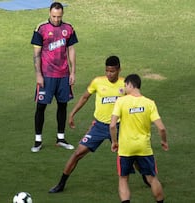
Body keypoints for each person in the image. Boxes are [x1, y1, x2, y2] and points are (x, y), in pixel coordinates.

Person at [49, 56, 125, 193]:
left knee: (131, 155)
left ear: (119, 69)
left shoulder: (125, 84)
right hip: (99, 126)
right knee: (77, 153)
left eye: (112, 71)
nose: (109, 74)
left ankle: (147, 178)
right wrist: (72, 113)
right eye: (107, 71)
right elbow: (85, 97)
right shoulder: (97, 82)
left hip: (119, 127)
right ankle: (61, 184)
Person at [110, 74, 169, 203]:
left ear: (130, 85)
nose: (124, 88)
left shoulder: (121, 101)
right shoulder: (149, 103)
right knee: (152, 178)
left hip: (125, 148)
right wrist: (164, 141)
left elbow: (113, 125)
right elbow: (162, 128)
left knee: (123, 178)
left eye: (125, 86)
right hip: (144, 148)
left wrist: (114, 142)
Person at [30, 2, 78, 152]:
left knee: (63, 105)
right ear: (49, 13)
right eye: (54, 16)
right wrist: (38, 74)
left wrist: (73, 72)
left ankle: (61, 138)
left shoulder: (68, 28)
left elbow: (71, 50)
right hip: (47, 76)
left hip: (63, 75)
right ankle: (38, 140)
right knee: (41, 106)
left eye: (59, 16)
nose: (56, 19)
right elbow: (36, 54)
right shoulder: (41, 28)